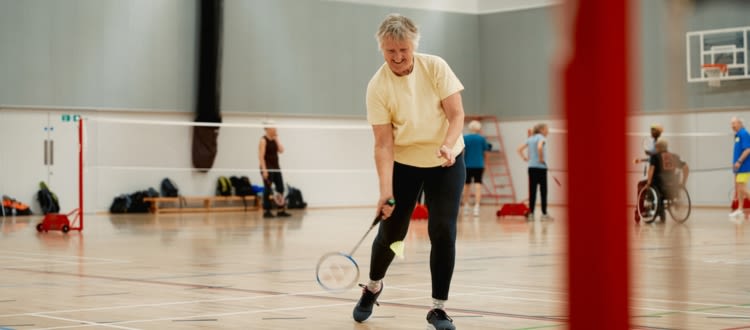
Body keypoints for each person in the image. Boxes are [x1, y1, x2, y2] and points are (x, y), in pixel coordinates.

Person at [353, 13, 465, 330]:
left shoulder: (436, 67)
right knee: (393, 233)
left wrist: (447, 144)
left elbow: (456, 114)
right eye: (391, 51)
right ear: (382, 49)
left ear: (414, 44)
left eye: (403, 49)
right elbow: (383, 144)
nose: (398, 57)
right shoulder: (378, 87)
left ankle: (438, 309)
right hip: (405, 162)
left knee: (443, 230)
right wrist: (385, 192)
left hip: (446, 160)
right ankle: (372, 286)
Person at [642, 139, 689, 222]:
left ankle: (647, 210)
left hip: (659, 184)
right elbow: (686, 168)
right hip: (672, 184)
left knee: (642, 185)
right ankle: (661, 211)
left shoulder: (655, 156)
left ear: (657, 147)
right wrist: (683, 182)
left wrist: (648, 183)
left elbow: (651, 169)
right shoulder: (674, 156)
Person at [517, 123, 552, 222]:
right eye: (546, 129)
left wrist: (524, 158)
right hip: (541, 168)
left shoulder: (530, 138)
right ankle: (544, 214)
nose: (548, 131)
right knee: (543, 191)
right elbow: (540, 147)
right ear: (541, 130)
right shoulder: (541, 138)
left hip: (531, 168)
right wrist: (541, 159)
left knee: (532, 191)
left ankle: (531, 214)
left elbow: (519, 149)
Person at [258, 120, 291, 218]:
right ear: (268, 129)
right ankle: (267, 211)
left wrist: (277, 139)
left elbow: (281, 150)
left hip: (276, 167)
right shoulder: (263, 140)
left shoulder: (275, 139)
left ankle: (281, 210)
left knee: (280, 188)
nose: (276, 128)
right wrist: (264, 170)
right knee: (267, 190)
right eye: (274, 127)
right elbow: (261, 156)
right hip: (267, 167)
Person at [462, 120, 491, 216]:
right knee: (478, 185)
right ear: (479, 128)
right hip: (479, 164)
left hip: (467, 165)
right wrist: (485, 164)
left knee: (466, 185)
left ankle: (466, 205)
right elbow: (486, 152)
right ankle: (476, 207)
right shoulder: (481, 139)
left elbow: (462, 151)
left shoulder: (465, 138)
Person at [730, 117, 750, 222]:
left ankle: (740, 208)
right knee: (740, 188)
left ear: (740, 123)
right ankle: (740, 209)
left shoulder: (744, 133)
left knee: (741, 188)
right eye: (731, 124)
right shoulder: (737, 135)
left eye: (734, 123)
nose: (732, 125)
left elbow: (748, 149)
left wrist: (739, 161)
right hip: (739, 166)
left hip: (744, 166)